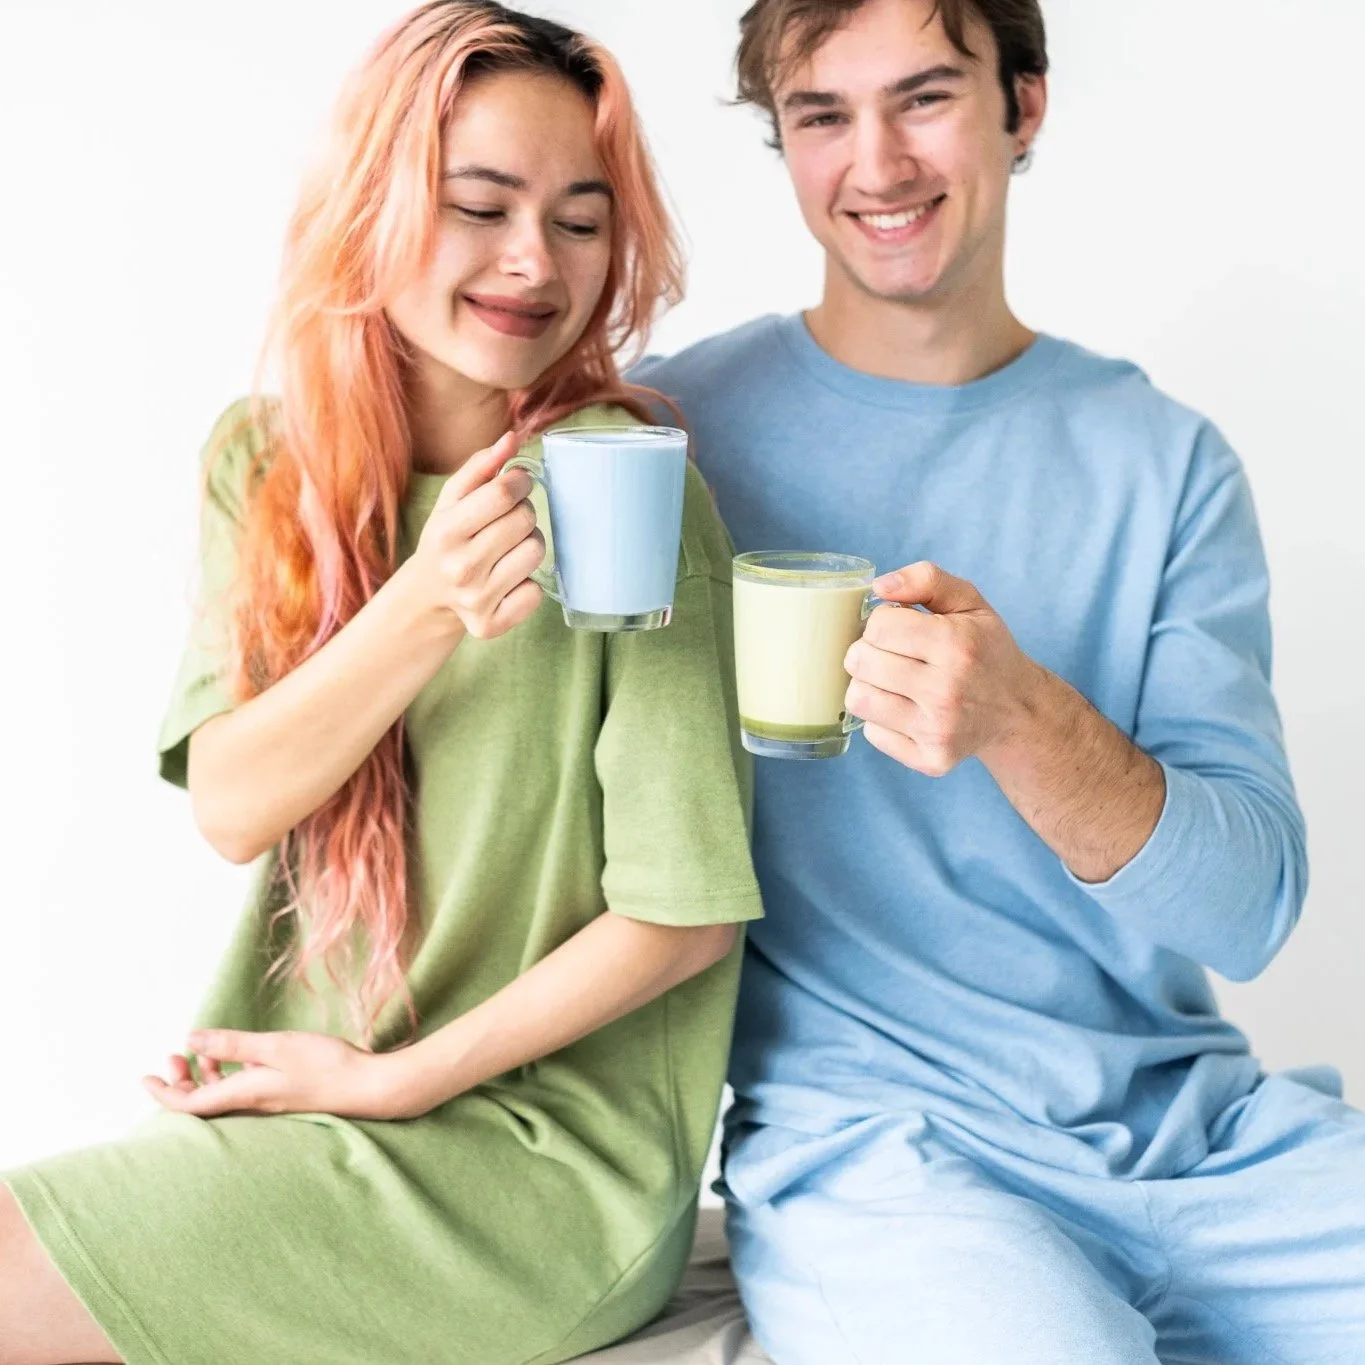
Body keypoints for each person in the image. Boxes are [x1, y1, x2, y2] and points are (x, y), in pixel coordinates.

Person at [0, 4, 764, 1362]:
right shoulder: (268, 460)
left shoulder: (625, 491)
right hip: (323, 1103)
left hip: (541, 1173)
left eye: (582, 221)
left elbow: (685, 917)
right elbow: (232, 802)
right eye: (481, 205)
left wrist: (392, 1082)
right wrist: (420, 609)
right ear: (374, 205)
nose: (535, 262)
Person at [633, 0, 1365, 1360]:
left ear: (1023, 105)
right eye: (821, 116)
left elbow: (1253, 907)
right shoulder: (671, 442)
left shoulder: (1164, 462)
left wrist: (1024, 719)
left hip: (1206, 1144)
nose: (877, 166)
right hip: (882, 1153)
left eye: (924, 98)